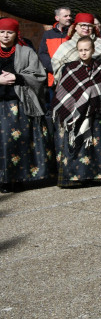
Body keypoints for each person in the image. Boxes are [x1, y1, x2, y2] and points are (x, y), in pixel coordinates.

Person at [53, 36, 101, 187]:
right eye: (80, 50)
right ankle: (74, 177)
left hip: (95, 114)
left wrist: (90, 97)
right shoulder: (70, 68)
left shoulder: (100, 68)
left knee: (95, 143)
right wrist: (78, 105)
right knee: (75, 144)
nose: (83, 53)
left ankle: (96, 175)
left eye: (87, 50)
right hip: (74, 114)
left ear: (93, 50)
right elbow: (63, 91)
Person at [0, 18, 54, 191]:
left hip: (20, 104)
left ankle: (18, 178)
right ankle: (3, 179)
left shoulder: (26, 51)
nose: (5, 35)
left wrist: (18, 77)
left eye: (9, 32)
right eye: (2, 32)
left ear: (16, 33)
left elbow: (39, 75)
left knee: (19, 142)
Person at [50, 13, 101, 81]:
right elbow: (56, 65)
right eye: (83, 25)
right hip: (72, 84)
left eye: (90, 26)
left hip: (98, 84)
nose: (86, 28)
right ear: (75, 26)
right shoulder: (65, 46)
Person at [38, 5, 73, 90]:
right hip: (53, 77)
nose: (69, 18)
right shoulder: (48, 34)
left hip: (71, 75)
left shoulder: (74, 33)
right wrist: (53, 67)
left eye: (70, 15)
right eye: (65, 16)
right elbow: (42, 53)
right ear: (57, 18)